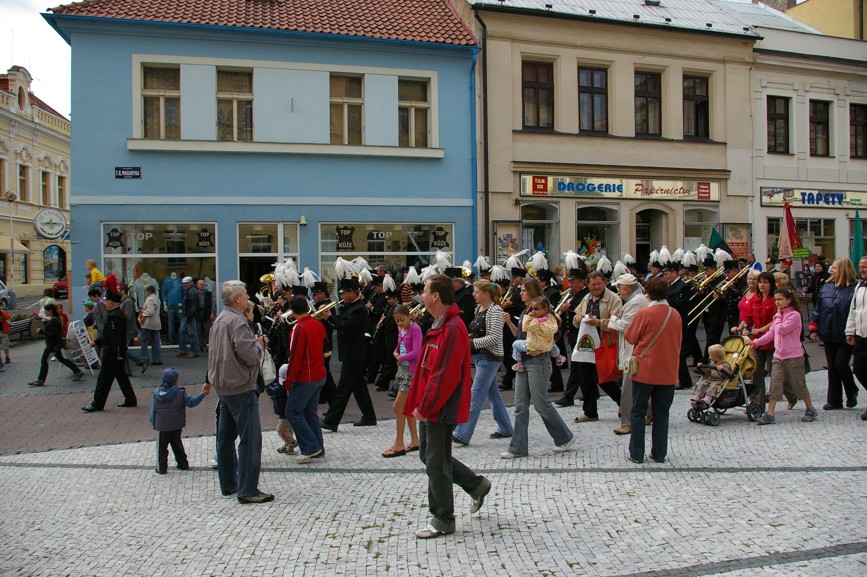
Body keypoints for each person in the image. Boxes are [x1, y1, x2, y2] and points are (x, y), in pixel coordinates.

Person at [404, 274, 491, 539]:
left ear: (436, 296)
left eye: (425, 291)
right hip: (432, 404)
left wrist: (426, 406)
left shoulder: (452, 328)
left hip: (440, 407)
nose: (421, 295)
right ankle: (476, 485)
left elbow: (444, 375)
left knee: (436, 462)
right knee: (429, 456)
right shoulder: (441, 324)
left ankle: (443, 518)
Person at [208, 280, 273, 504]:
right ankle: (247, 489)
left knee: (225, 438)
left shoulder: (220, 319)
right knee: (250, 439)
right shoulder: (238, 321)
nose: (247, 297)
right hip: (240, 386)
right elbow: (250, 355)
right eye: (245, 294)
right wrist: (259, 344)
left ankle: (229, 483)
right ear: (237, 299)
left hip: (223, 385)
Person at [500, 278, 575, 459]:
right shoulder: (526, 311)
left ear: (532, 291)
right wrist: (509, 323)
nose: (520, 293)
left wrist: (540, 349)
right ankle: (517, 448)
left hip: (538, 361)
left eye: (523, 290)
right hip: (523, 360)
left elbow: (555, 334)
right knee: (520, 406)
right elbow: (520, 335)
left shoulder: (544, 312)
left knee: (541, 403)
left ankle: (564, 436)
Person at [625, 277, 682, 464]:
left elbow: (630, 337)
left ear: (647, 294)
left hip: (645, 370)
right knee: (662, 413)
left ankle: (636, 453)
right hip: (668, 370)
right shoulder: (675, 314)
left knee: (638, 411)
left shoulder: (644, 313)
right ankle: (659, 453)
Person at [452, 280, 512, 446]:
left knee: (475, 395)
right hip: (480, 357)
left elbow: (495, 338)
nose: (474, 294)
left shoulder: (495, 310)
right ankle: (506, 427)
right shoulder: (479, 308)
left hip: (490, 357)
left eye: (476, 292)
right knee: (493, 395)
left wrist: (470, 343)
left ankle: (462, 433)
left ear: (486, 294)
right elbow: (476, 331)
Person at [747, 288, 818, 425]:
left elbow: (781, 329)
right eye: (776, 300)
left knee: (798, 384)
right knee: (775, 384)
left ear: (789, 300)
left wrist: (778, 315)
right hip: (778, 356)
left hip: (794, 356)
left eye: (780, 299)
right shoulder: (778, 316)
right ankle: (770, 413)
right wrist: (755, 343)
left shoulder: (794, 315)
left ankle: (810, 408)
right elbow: (771, 334)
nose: (777, 302)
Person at [320, 277, 377, 431]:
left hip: (354, 353)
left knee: (343, 389)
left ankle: (331, 421)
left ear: (352, 292)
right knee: (359, 388)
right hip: (349, 352)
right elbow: (341, 321)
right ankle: (369, 417)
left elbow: (346, 327)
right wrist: (331, 317)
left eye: (344, 293)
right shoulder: (349, 306)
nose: (342, 296)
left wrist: (330, 317)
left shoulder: (359, 309)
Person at [568, 272, 622, 421]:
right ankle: (590, 412)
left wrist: (597, 322)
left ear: (604, 282)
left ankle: (623, 403)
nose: (596, 287)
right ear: (588, 285)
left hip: (604, 343)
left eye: (599, 284)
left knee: (604, 378)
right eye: (593, 284)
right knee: (585, 378)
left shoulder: (614, 299)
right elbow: (576, 317)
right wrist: (579, 318)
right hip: (586, 345)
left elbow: (617, 322)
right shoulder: (586, 298)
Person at [282, 294, 327, 464]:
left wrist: (287, 381)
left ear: (292, 311)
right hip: (319, 373)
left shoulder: (299, 328)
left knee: (292, 412)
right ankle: (318, 447)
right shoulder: (318, 324)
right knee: (310, 413)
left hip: (305, 377)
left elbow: (295, 357)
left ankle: (310, 447)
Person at [82, 276, 138, 411]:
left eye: (107, 301)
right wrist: (97, 342)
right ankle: (130, 399)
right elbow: (109, 335)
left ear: (111, 303)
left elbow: (116, 337)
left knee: (104, 378)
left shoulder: (114, 316)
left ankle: (97, 403)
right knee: (121, 376)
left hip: (112, 353)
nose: (105, 303)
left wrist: (118, 353)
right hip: (115, 351)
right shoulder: (116, 314)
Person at [809, 258, 858, 410]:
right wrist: (814, 327)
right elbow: (819, 307)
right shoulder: (827, 286)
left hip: (845, 332)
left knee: (841, 364)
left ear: (843, 269)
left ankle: (851, 390)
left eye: (835, 268)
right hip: (828, 330)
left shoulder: (854, 288)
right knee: (832, 367)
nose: (832, 270)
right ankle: (834, 400)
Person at [605, 274, 650, 436]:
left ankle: (627, 423)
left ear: (625, 289)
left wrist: (613, 318)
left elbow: (625, 325)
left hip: (632, 351)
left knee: (628, 389)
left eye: (619, 289)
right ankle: (649, 413)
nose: (619, 292)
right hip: (634, 349)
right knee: (638, 386)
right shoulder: (636, 300)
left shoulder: (636, 301)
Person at [149, 368, 211, 474]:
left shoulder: (157, 393)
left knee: (161, 448)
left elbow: (153, 410)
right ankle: (183, 464)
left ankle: (161, 468)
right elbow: (191, 402)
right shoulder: (180, 393)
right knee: (177, 444)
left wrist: (153, 422)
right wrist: (203, 394)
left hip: (162, 426)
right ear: (175, 381)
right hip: (176, 425)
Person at [381, 305, 422, 456]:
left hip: (411, 371)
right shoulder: (401, 328)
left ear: (409, 316)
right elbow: (400, 343)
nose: (400, 323)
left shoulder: (415, 329)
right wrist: (396, 352)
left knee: (398, 406)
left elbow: (417, 351)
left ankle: (399, 442)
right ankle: (415, 440)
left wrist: (402, 357)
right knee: (406, 406)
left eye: (402, 320)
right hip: (402, 369)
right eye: (397, 321)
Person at [28, 303, 84, 386]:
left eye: (46, 311)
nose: (45, 312)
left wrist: (42, 331)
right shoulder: (56, 319)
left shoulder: (54, 320)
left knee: (44, 361)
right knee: (62, 359)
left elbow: (54, 334)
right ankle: (78, 371)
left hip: (52, 345)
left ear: (50, 311)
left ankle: (41, 380)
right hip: (56, 344)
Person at [845, 256, 867, 420]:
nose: (862, 269)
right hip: (861, 335)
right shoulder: (859, 285)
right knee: (859, 369)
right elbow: (853, 310)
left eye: (865, 266)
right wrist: (850, 331)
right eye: (860, 266)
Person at [265, 364, 297, 455]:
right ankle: (288, 443)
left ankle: (291, 442)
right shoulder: (292, 385)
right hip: (287, 411)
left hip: (284, 413)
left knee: (281, 429)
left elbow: (271, 392)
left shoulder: (281, 388)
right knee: (288, 429)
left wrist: (266, 385)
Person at [139, 285, 163, 367]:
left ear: (149, 291)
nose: (145, 293)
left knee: (144, 340)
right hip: (156, 323)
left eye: (145, 291)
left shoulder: (149, 299)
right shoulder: (157, 298)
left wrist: (143, 312)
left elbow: (150, 312)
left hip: (148, 323)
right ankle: (157, 359)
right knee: (156, 341)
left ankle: (144, 359)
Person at [730, 270, 759, 335]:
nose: (751, 281)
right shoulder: (745, 291)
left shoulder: (759, 295)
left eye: (754, 279)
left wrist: (739, 328)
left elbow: (749, 315)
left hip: (751, 328)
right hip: (741, 324)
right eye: (749, 279)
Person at [178, 276, 200, 358]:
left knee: (191, 333)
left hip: (189, 315)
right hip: (187, 315)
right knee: (183, 332)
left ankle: (194, 352)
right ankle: (183, 350)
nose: (184, 285)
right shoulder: (190, 290)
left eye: (186, 283)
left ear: (190, 282)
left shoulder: (192, 291)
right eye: (184, 283)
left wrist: (189, 316)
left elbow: (192, 306)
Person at [196, 279, 216, 351]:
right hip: (198, 313)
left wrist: (212, 312)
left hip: (206, 313)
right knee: (198, 330)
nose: (202, 286)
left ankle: (204, 344)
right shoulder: (195, 294)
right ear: (197, 285)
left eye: (203, 284)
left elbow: (212, 303)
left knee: (207, 330)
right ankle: (200, 345)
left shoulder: (208, 293)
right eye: (201, 284)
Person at [0, 303, 10, 369]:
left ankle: (7, 357)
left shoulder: (3, 312)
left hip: (3, 331)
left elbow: (8, 317)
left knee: (5, 345)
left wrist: (1, 312)